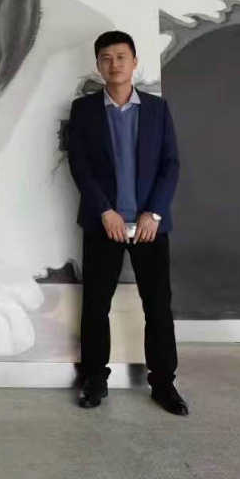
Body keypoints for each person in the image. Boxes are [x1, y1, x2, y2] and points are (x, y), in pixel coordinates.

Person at [66, 30, 189, 415]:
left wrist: (155, 212)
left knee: (158, 307)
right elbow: (80, 166)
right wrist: (105, 211)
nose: (114, 64)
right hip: (104, 223)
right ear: (98, 65)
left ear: (134, 62)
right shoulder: (84, 110)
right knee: (95, 306)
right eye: (106, 58)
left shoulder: (156, 109)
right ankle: (94, 380)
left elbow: (171, 164)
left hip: (150, 225)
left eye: (121, 57)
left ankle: (164, 384)